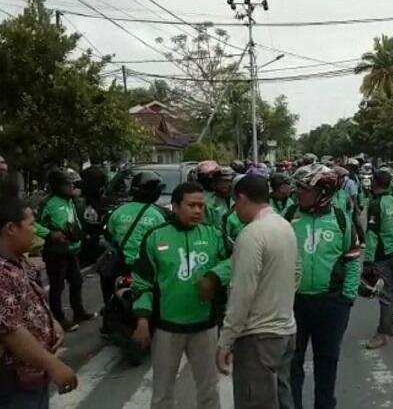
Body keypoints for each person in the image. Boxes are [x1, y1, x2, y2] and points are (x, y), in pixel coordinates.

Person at [0, 198, 77, 408]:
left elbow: (32, 300)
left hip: (30, 376)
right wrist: (55, 366)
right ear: (11, 228)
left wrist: (51, 324)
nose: (35, 231)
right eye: (31, 224)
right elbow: (10, 332)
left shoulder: (15, 262)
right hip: (5, 383)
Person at [131, 182, 231, 409]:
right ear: (175, 207)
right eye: (191, 205)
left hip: (205, 327)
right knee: (162, 393)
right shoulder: (156, 237)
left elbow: (233, 261)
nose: (197, 211)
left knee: (208, 389)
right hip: (167, 329)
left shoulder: (214, 235)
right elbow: (142, 282)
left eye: (201, 206)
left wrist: (214, 276)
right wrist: (143, 319)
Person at [216, 175, 298, 409]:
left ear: (242, 199)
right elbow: (297, 272)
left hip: (258, 336)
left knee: (256, 402)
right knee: (283, 399)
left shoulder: (252, 234)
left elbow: (242, 293)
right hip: (285, 330)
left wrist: (226, 340)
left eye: (236, 203)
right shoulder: (284, 226)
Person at [287, 165, 360, 409]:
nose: (298, 193)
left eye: (304, 189)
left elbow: (352, 260)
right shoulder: (288, 216)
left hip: (331, 305)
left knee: (327, 362)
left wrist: (346, 299)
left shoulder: (340, 219)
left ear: (323, 191)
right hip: (293, 304)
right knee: (292, 363)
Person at [38, 168, 96, 332]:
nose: (73, 188)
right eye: (69, 184)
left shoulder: (69, 201)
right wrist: (49, 234)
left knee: (76, 281)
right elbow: (32, 223)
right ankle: (59, 318)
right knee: (57, 286)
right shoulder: (48, 203)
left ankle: (78, 311)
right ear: (58, 186)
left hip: (72, 249)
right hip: (56, 251)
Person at [103, 171, 167, 303]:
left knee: (109, 298)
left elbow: (109, 235)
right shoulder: (158, 215)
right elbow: (163, 243)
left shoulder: (118, 211)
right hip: (145, 268)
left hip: (119, 266)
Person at [363, 170, 393, 350]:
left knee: (384, 296)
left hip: (382, 254)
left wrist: (368, 261)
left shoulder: (375, 204)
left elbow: (372, 233)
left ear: (374, 183)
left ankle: (383, 333)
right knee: (391, 290)